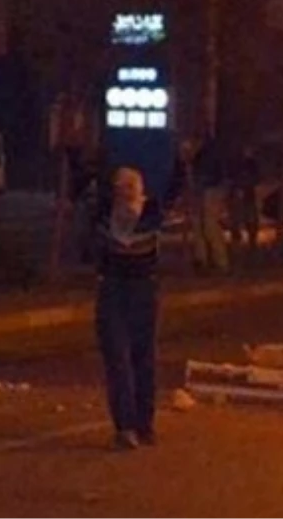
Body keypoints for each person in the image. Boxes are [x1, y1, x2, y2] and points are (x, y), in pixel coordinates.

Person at [95, 167, 165, 450]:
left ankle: (144, 425)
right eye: (119, 187)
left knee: (143, 358)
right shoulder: (104, 214)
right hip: (112, 290)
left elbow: (173, 190)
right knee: (117, 358)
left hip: (143, 291)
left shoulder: (150, 215)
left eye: (129, 187)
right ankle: (125, 426)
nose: (124, 193)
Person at [190, 137, 230, 274]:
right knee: (201, 225)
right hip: (206, 190)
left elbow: (208, 175)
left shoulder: (205, 155)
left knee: (209, 225)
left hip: (209, 190)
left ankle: (219, 262)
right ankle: (204, 259)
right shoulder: (203, 154)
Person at [228, 145, 261, 256]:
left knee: (249, 220)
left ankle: (251, 244)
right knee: (237, 220)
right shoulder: (238, 164)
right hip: (240, 195)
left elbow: (256, 178)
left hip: (247, 195)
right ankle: (238, 244)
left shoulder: (251, 164)